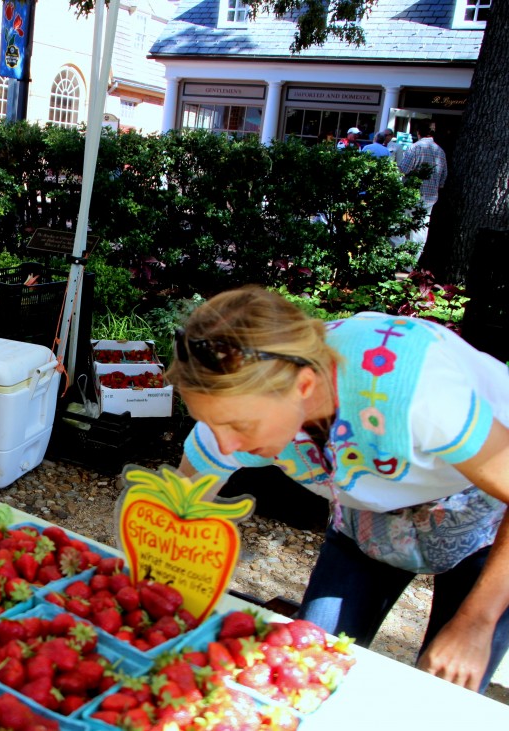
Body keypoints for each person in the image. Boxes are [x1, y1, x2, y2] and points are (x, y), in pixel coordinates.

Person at [168, 286, 509, 693]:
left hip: (484, 507)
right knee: (305, 669)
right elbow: (178, 509)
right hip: (366, 516)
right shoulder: (240, 393)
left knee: (446, 691)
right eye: (210, 423)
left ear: (305, 386)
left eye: (240, 427)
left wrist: (477, 622)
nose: (224, 447)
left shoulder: (418, 392)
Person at [398, 123, 448, 257]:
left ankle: (398, 258)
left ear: (418, 132)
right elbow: (443, 178)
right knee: (420, 229)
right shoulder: (440, 151)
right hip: (430, 197)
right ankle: (413, 262)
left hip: (411, 194)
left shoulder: (415, 148)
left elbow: (403, 170)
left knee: (399, 225)